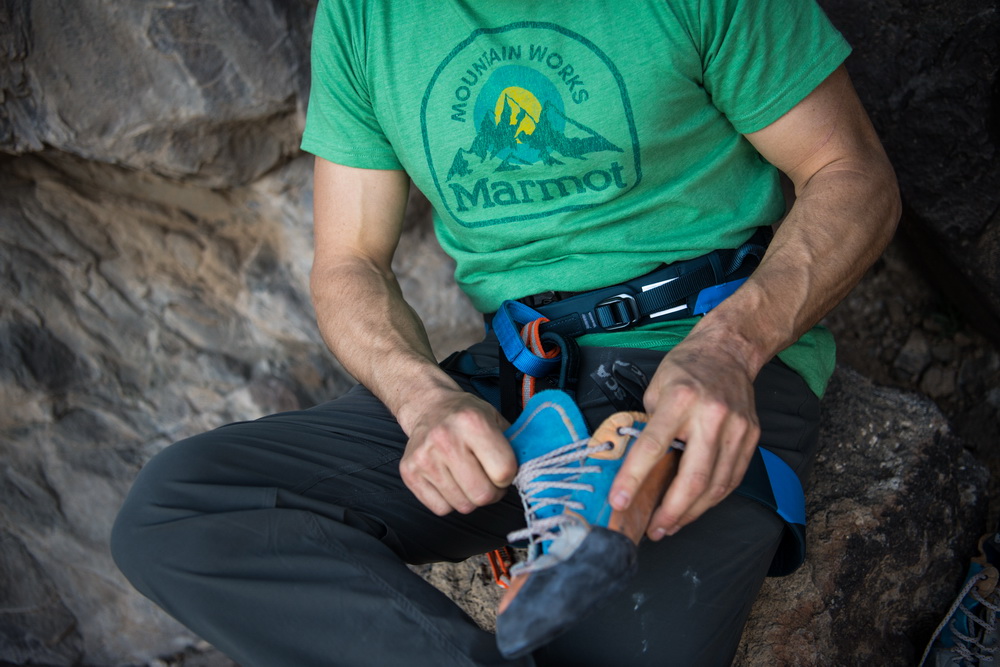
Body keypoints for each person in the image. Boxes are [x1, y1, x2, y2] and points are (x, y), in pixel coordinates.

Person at [111, 0, 900, 664]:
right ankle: (580, 498)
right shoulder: (364, 15)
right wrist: (422, 398)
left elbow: (852, 174)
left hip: (699, 359)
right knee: (178, 513)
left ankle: (618, 477)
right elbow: (349, 262)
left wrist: (735, 344)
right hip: (516, 381)